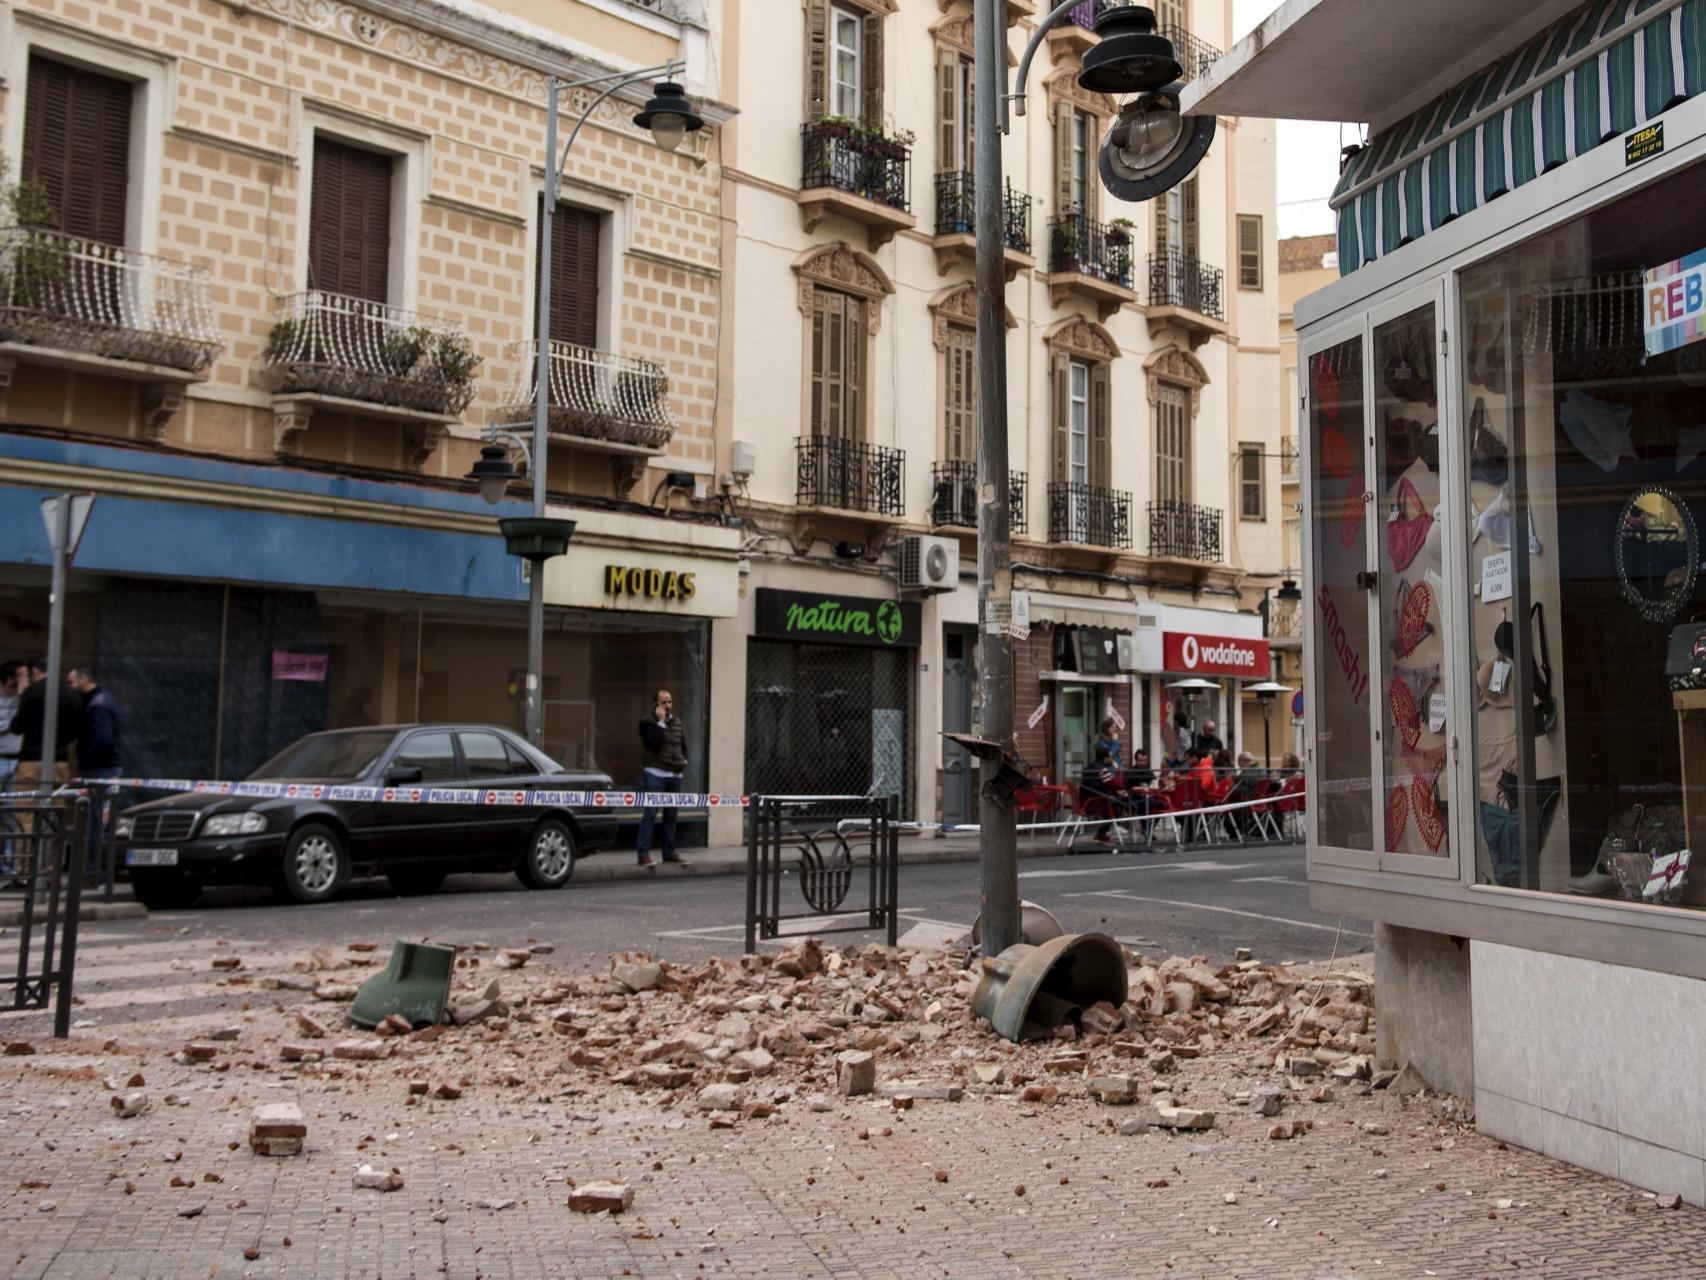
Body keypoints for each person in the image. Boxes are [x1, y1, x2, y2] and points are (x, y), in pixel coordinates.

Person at [6, 658, 81, 886]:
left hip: (31, 760)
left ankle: (25, 870)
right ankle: (50, 870)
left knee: (27, 815)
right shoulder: (70, 694)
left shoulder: (32, 693)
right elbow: (75, 731)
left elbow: (17, 726)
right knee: (54, 815)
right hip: (59, 761)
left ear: (35, 671)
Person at [635, 689, 690, 868]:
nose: (667, 705)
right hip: (655, 773)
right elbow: (654, 743)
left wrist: (684, 761)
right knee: (650, 814)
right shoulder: (647, 722)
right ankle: (643, 854)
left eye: (669, 702)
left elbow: (683, 744)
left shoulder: (677, 721)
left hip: (674, 774)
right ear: (656, 704)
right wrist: (660, 722)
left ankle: (669, 853)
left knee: (671, 815)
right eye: (663, 702)